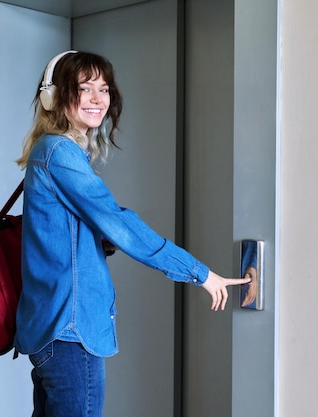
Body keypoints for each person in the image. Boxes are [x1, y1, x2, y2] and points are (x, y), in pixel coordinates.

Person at [14, 50, 250, 417]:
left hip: (54, 330)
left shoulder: (56, 153)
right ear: (53, 96)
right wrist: (199, 272)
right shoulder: (59, 152)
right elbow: (119, 222)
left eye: (104, 89)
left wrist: (97, 241)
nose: (98, 99)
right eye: (85, 88)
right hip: (71, 332)